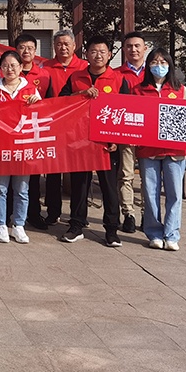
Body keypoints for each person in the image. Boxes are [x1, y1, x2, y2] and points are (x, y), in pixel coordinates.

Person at [59, 35, 130, 247]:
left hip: (107, 144)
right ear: (86, 54)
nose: (98, 55)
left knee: (109, 187)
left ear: (109, 55)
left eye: (102, 52)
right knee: (79, 185)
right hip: (80, 141)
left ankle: (111, 230)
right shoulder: (75, 77)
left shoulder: (118, 80)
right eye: (93, 51)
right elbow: (61, 103)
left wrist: (117, 139)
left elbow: (125, 112)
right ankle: (76, 225)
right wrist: (81, 93)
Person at [134, 47, 186, 251]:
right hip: (148, 150)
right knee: (150, 193)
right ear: (147, 65)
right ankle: (154, 233)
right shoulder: (138, 90)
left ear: (170, 65)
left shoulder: (180, 89)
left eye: (163, 62)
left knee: (174, 193)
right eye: (154, 62)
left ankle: (172, 234)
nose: (158, 66)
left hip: (175, 151)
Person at [0, 50, 41, 244]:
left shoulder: (30, 89)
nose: (10, 69)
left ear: (21, 67)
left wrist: (37, 103)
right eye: (6, 66)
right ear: (0, 68)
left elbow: (42, 115)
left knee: (22, 190)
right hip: (0, 148)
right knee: (0, 189)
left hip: (23, 148)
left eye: (14, 65)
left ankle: (19, 225)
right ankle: (1, 225)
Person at [38, 29, 87, 227]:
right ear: (53, 46)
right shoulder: (45, 68)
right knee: (52, 170)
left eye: (67, 44)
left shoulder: (84, 67)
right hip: (53, 125)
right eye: (59, 44)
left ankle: (79, 215)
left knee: (79, 173)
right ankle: (53, 211)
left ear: (74, 46)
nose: (63, 47)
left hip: (78, 128)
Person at [15, 32, 58, 230]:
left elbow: (50, 104)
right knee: (10, 173)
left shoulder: (44, 75)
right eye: (22, 47)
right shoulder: (6, 71)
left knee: (33, 176)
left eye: (30, 48)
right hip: (11, 131)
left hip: (34, 132)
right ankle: (10, 214)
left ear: (35, 51)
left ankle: (33, 213)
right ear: (16, 50)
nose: (26, 51)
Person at [116, 31, 148, 235]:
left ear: (145, 48)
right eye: (129, 46)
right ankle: (128, 214)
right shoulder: (116, 74)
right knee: (126, 175)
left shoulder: (155, 74)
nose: (133, 50)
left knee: (148, 177)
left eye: (137, 46)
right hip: (126, 133)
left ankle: (147, 214)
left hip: (149, 135)